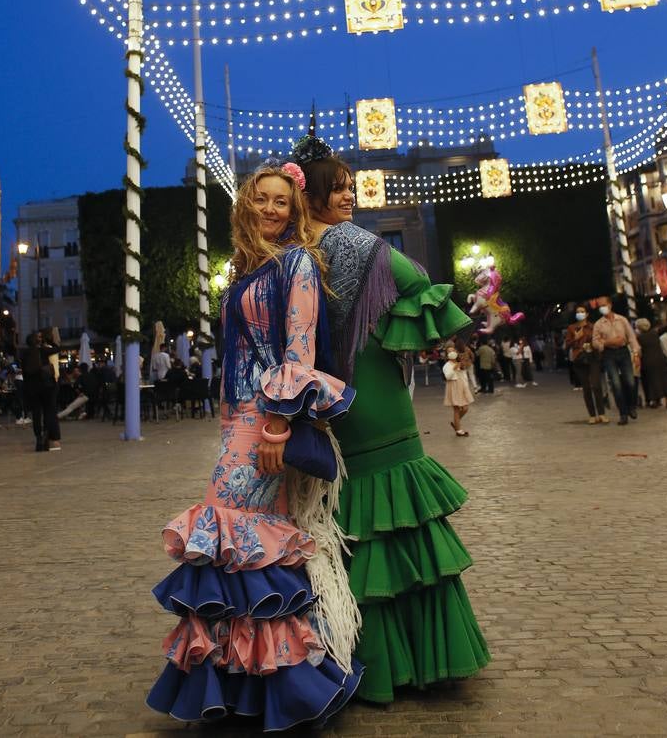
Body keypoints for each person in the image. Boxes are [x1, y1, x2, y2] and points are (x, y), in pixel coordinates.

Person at [146, 165, 362, 729]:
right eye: (262, 200)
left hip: (266, 420)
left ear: (294, 210)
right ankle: (259, 685)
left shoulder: (297, 264)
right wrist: (232, 420)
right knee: (246, 546)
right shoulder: (245, 270)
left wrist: (276, 426)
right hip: (239, 417)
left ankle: (277, 684)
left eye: (282, 203)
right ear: (247, 205)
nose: (271, 210)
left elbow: (299, 348)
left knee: (235, 537)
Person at [294, 135, 490, 704]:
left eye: (349, 186)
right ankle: (430, 656)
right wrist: (387, 330)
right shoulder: (356, 243)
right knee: (401, 520)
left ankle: (370, 664)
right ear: (316, 195)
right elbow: (419, 285)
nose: (348, 195)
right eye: (338, 187)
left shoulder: (295, 251)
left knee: (357, 521)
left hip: (331, 396)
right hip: (376, 391)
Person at [592, 296, 640, 426]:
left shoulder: (622, 320)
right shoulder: (598, 324)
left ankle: (632, 406)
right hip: (609, 354)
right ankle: (623, 414)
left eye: (604, 305)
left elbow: (631, 337)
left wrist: (636, 353)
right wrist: (608, 342)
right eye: (599, 306)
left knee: (630, 381)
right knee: (616, 384)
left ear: (610, 305)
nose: (602, 308)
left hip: (623, 352)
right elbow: (595, 343)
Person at [565, 304, 607, 424]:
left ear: (587, 314)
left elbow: (599, 339)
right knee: (586, 388)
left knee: (596, 385)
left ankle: (602, 413)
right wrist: (576, 338)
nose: (580, 314)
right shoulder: (571, 328)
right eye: (578, 312)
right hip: (579, 358)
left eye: (582, 311)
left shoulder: (593, 327)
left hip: (593, 357)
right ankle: (592, 415)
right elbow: (567, 345)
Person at [20, 332, 62, 451]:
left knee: (36, 414)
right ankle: (46, 437)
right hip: (46, 386)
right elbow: (58, 348)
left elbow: (24, 373)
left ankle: (38, 439)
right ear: (36, 340)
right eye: (39, 337)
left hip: (32, 388)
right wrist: (50, 341)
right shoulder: (43, 350)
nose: (41, 338)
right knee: (48, 411)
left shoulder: (24, 354)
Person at [636, 319, 667, 409]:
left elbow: (639, 351)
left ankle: (655, 401)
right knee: (664, 380)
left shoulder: (640, 337)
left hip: (648, 361)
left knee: (652, 381)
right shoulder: (655, 334)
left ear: (639, 327)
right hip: (660, 359)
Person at [443, 344, 474, 435]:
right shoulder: (447, 365)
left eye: (453, 351)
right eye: (449, 351)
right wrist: (454, 368)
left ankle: (456, 423)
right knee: (456, 409)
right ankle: (458, 430)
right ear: (447, 354)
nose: (452, 353)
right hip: (453, 386)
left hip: (462, 386)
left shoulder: (460, 362)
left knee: (465, 408)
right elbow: (448, 377)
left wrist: (462, 363)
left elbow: (464, 374)